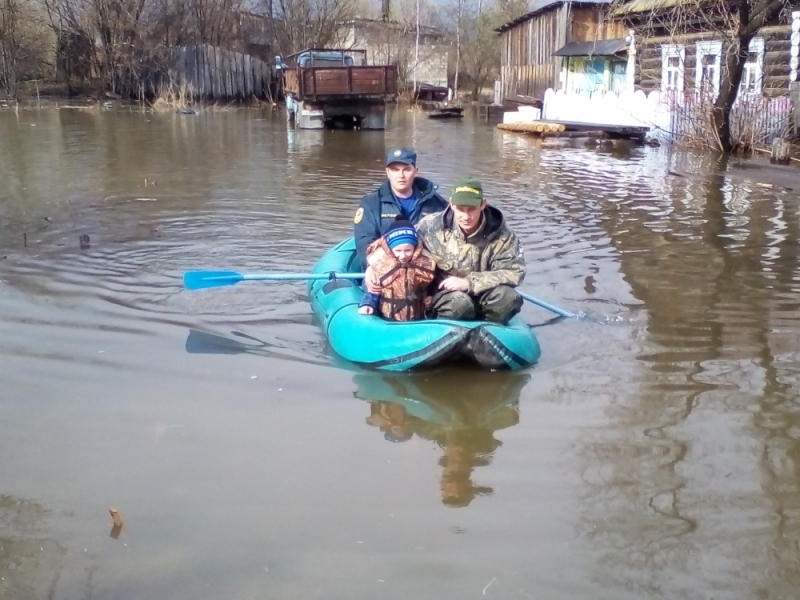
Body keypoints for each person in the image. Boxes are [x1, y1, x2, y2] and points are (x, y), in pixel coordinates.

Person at [416, 176, 525, 324]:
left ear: (483, 205)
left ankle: (487, 330)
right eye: (461, 209)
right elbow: (402, 248)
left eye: (471, 209)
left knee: (509, 299)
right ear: (451, 204)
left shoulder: (504, 234)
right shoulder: (429, 226)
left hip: (484, 294)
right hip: (445, 296)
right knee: (460, 304)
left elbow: (515, 272)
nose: (466, 216)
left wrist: (469, 283)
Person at [353, 147, 447, 271]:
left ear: (415, 171)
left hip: (425, 272)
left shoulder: (435, 203)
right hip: (383, 272)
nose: (401, 175)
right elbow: (365, 244)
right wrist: (381, 269)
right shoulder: (371, 203)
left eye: (407, 169)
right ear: (387, 172)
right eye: (395, 170)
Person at [358, 219, 436, 322]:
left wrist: (431, 296)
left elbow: (431, 284)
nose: (403, 256)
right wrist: (368, 304)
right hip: (388, 318)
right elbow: (373, 290)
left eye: (408, 250)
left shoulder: (425, 262)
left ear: (415, 248)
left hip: (418, 318)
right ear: (390, 249)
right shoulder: (380, 264)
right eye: (398, 251)